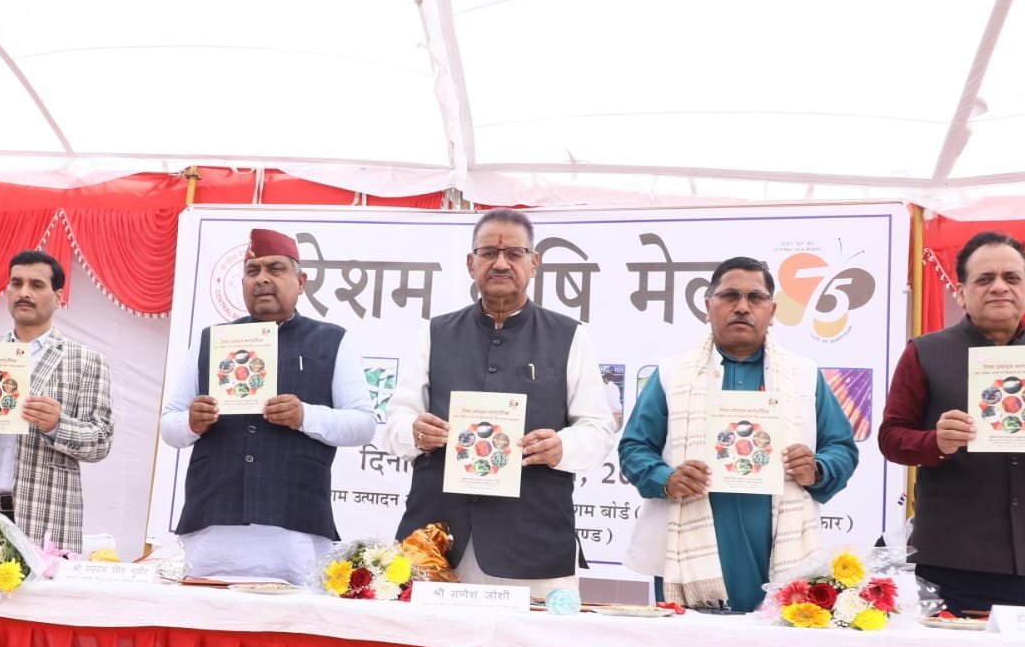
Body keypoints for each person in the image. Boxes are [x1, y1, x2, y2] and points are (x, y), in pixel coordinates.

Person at [388, 208, 618, 599]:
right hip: (437, 541)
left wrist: (562, 446)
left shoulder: (569, 336)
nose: (500, 263)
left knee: (536, 640)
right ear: (471, 263)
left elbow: (598, 429)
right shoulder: (434, 333)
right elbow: (398, 417)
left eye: (514, 253)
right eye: (489, 253)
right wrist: (413, 431)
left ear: (534, 263)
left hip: (534, 541)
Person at [878, 231, 1025, 613]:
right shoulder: (924, 353)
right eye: (984, 279)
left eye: (1011, 278)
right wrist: (936, 443)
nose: (999, 287)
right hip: (951, 559)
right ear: (960, 292)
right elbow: (891, 437)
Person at [620, 257, 859, 611]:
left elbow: (841, 448)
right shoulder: (672, 373)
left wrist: (817, 469)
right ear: (708, 307)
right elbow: (634, 448)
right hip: (686, 554)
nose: (743, 307)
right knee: (687, 646)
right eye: (730, 296)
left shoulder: (804, 376)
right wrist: (666, 479)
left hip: (780, 548)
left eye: (755, 297)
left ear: (772, 311)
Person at [161, 229, 376, 584]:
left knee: (293, 617)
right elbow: (170, 424)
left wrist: (305, 415)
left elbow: (363, 424)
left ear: (301, 282)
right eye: (252, 271)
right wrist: (192, 422)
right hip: (215, 521)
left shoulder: (333, 340)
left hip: (295, 524)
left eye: (275, 269)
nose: (262, 279)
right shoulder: (212, 339)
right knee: (206, 613)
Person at [0, 250, 113, 553]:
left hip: (46, 516)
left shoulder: (86, 361)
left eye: (36, 285)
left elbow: (101, 442)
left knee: (42, 588)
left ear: (58, 297)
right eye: (16, 283)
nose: (24, 292)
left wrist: (57, 425)